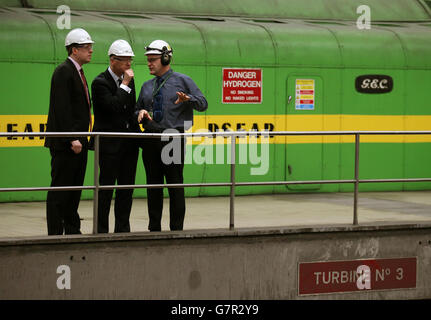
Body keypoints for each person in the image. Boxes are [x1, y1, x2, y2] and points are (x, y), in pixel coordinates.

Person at [136, 39, 208, 232]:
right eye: (148, 60)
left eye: (153, 60)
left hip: (173, 138)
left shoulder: (183, 81)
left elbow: (203, 103)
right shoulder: (146, 86)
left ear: (166, 59)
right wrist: (140, 113)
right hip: (151, 139)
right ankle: (154, 228)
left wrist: (189, 99)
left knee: (175, 185)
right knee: (153, 186)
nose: (149, 63)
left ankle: (176, 230)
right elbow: (136, 110)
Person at [91, 40, 151, 233]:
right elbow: (112, 107)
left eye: (130, 60)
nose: (128, 64)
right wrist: (124, 84)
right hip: (108, 147)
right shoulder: (100, 83)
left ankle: (122, 229)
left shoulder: (129, 81)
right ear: (112, 60)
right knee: (105, 190)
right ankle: (101, 230)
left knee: (126, 190)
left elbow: (128, 108)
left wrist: (139, 113)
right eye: (124, 60)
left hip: (128, 145)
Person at [45, 28, 94, 235]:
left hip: (79, 143)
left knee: (74, 190)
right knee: (60, 189)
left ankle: (72, 230)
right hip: (67, 144)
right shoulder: (64, 71)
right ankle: (55, 233)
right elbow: (62, 108)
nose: (91, 51)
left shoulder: (77, 72)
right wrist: (72, 138)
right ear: (74, 50)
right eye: (87, 47)